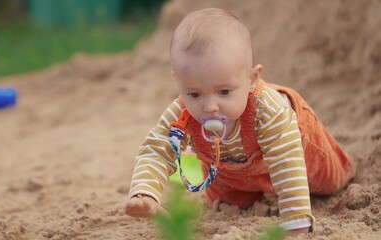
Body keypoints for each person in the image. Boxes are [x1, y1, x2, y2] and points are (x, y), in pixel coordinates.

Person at [113, 8, 355, 237]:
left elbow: (286, 162)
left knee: (330, 182)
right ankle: (247, 192)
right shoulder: (181, 114)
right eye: (194, 94)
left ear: (251, 79)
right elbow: (157, 149)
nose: (210, 107)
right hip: (229, 172)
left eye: (224, 92)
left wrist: (295, 224)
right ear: (179, 82)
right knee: (226, 203)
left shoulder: (268, 111)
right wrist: (145, 192)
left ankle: (342, 172)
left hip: (297, 149)